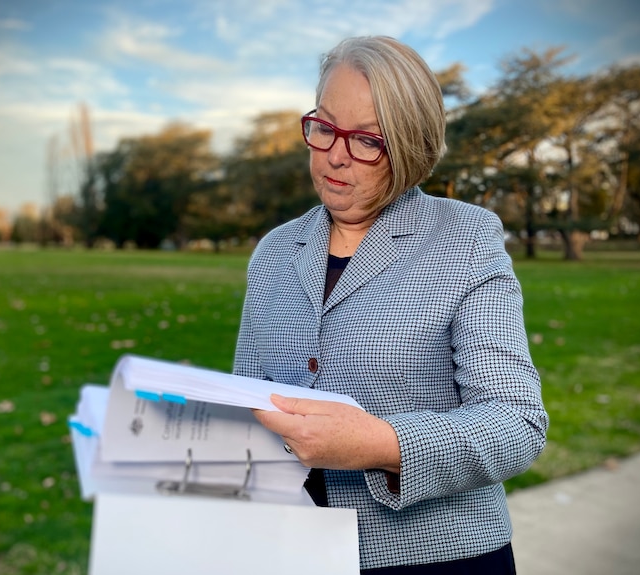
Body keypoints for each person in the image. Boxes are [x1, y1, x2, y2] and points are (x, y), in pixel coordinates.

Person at [232, 35, 549, 574]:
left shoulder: (466, 238)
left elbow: (516, 423)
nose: (334, 153)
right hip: (290, 552)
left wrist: (383, 443)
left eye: (367, 140)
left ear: (411, 146)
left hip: (439, 558)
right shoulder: (274, 251)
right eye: (326, 126)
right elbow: (245, 399)